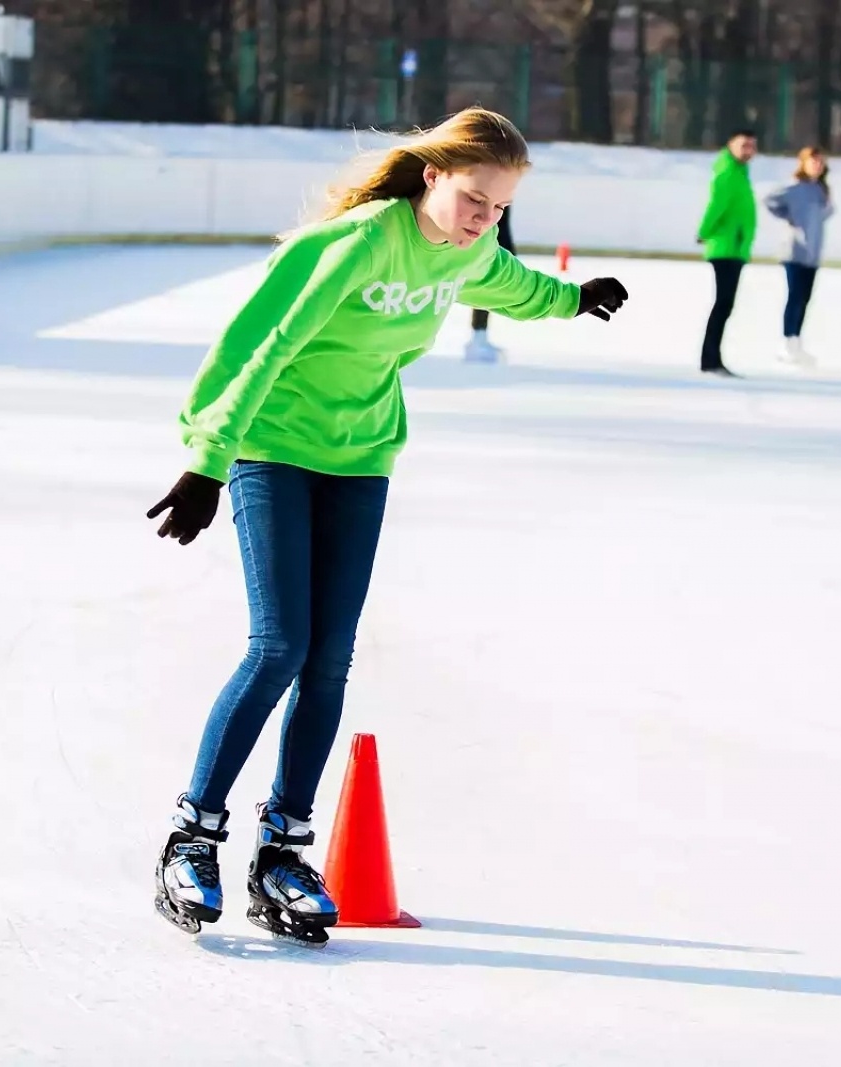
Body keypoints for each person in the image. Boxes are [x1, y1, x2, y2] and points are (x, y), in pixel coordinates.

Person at [144, 107, 630, 945]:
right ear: (435, 174)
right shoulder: (364, 242)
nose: (486, 219)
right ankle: (192, 836)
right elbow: (266, 341)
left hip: (362, 455)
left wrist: (571, 300)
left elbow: (508, 286)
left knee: (329, 657)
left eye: (501, 209)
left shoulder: (472, 245)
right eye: (476, 198)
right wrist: (208, 459)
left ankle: (283, 852)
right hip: (270, 443)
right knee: (279, 646)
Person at [762, 145, 834, 367]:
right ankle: (787, 341)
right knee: (795, 297)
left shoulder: (821, 191)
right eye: (813, 161)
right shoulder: (795, 188)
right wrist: (788, 216)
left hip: (812, 253)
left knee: (804, 299)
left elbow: (826, 213)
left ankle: (796, 341)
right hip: (794, 251)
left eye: (820, 162)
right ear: (803, 163)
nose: (817, 166)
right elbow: (770, 201)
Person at [696, 128, 757, 377]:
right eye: (743, 145)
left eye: (752, 146)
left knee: (725, 304)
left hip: (735, 247)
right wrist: (704, 231)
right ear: (731, 145)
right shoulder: (728, 173)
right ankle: (710, 360)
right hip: (726, 247)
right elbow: (716, 204)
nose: (748, 150)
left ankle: (713, 358)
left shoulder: (740, 172)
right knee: (723, 304)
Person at [463, 203, 516, 363]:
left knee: (487, 288)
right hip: (484, 240)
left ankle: (479, 336)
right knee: (483, 287)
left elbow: (503, 219)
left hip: (493, 239)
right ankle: (478, 338)